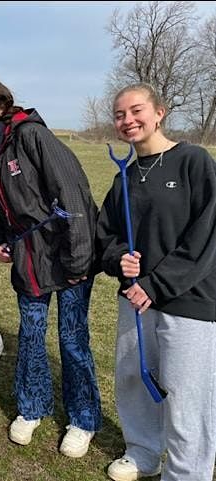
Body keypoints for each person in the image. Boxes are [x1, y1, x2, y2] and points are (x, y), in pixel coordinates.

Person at [0, 78, 102, 458]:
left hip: (68, 252)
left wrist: (78, 261)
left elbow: (72, 192)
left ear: (1, 107)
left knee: (72, 339)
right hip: (30, 257)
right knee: (32, 334)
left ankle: (83, 419)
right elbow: (2, 208)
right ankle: (32, 407)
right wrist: (3, 239)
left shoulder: (31, 136)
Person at [97, 83, 216, 481]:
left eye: (136, 110)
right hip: (134, 299)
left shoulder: (193, 161)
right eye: (119, 115)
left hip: (188, 299)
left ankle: (186, 472)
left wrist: (155, 284)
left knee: (185, 393)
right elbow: (106, 235)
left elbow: (206, 233)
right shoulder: (124, 177)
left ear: (159, 112)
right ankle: (143, 452)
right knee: (134, 378)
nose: (127, 120)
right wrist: (118, 258)